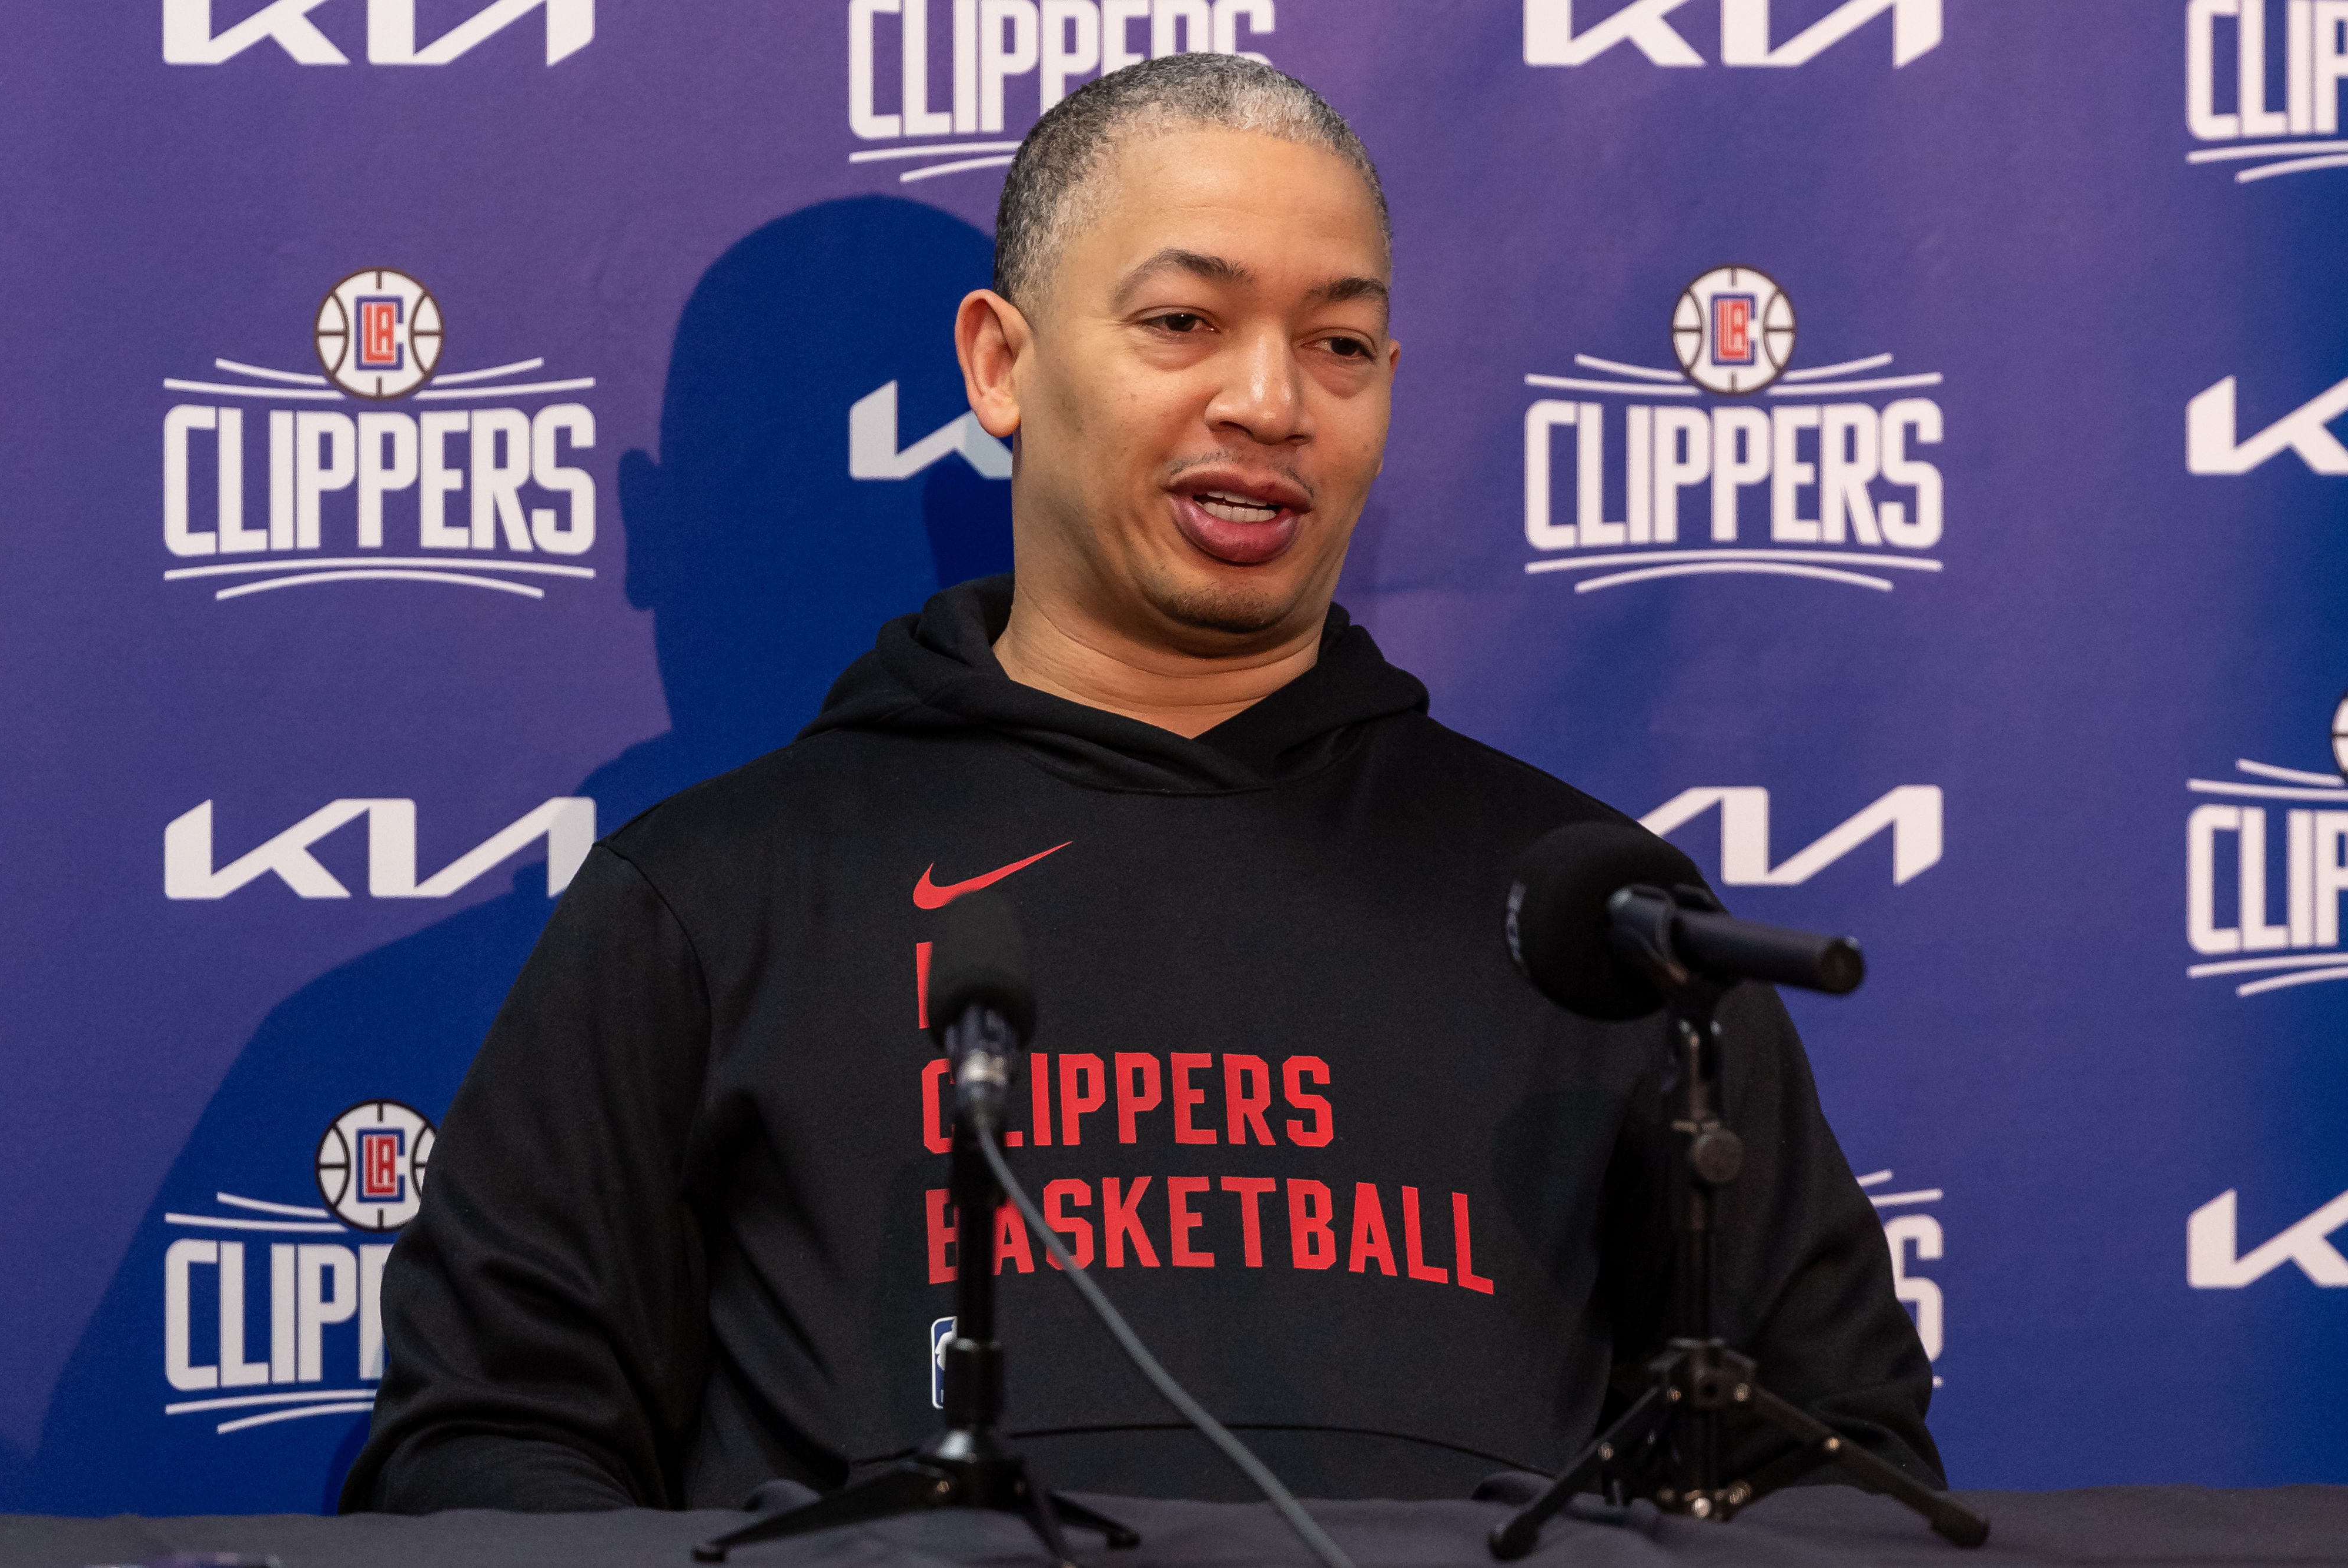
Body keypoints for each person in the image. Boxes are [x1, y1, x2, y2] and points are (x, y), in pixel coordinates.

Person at [344, 54, 1941, 1513]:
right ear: (1001, 364)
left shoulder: (1598, 918)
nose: (1271, 402)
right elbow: (478, 1452)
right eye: (1185, 323)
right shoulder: (707, 896)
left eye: (1339, 341)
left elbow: (1841, 1464)